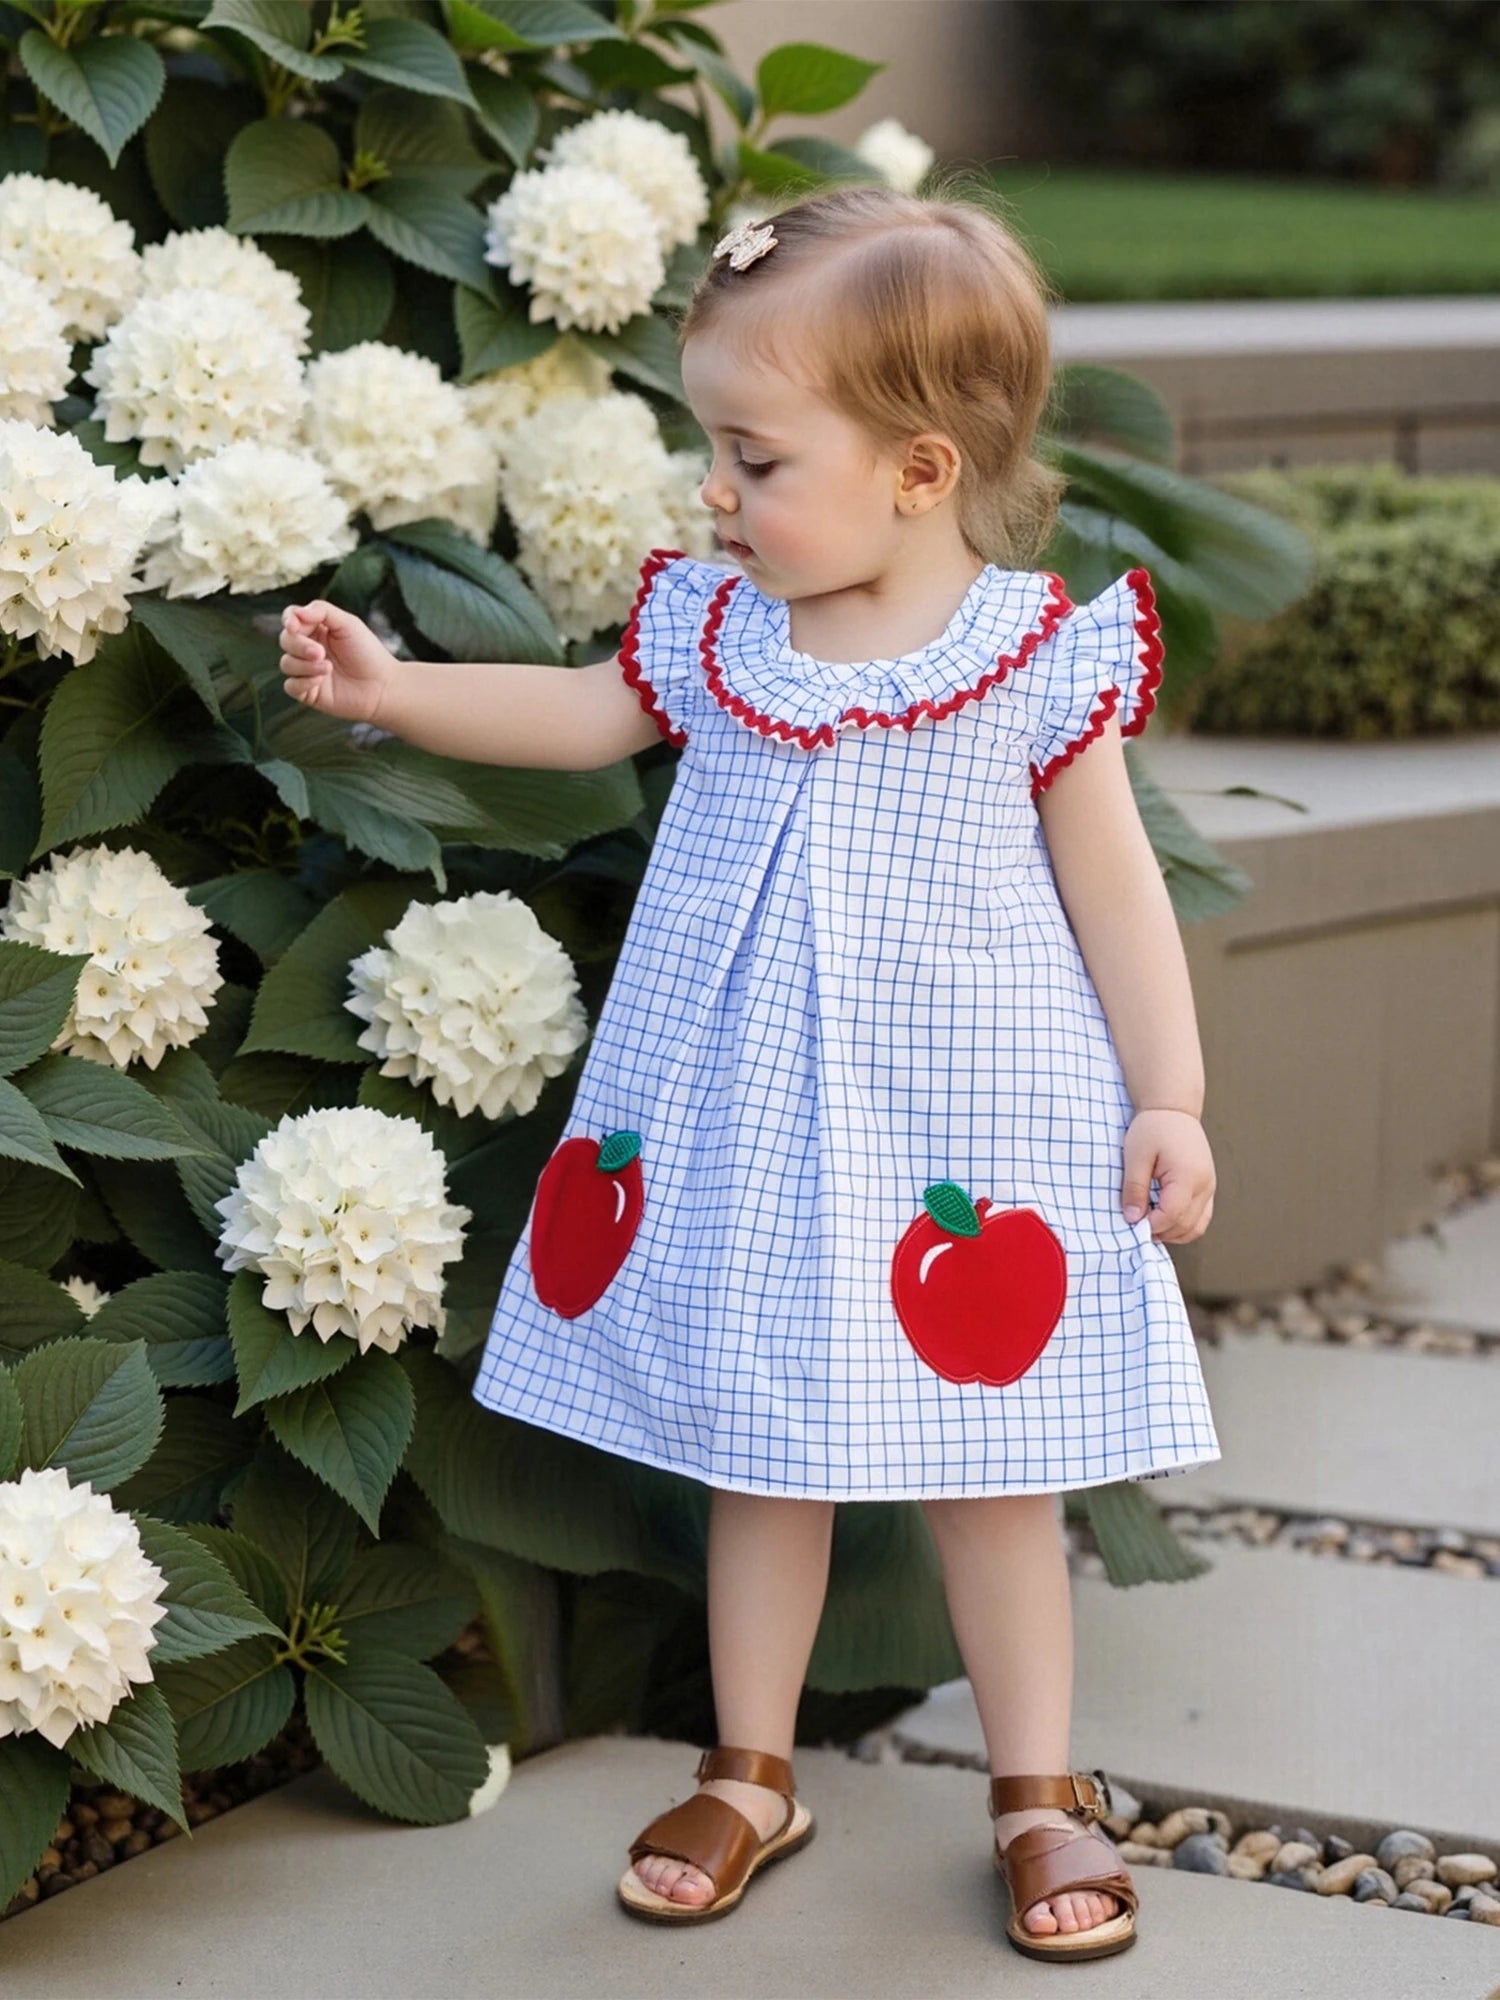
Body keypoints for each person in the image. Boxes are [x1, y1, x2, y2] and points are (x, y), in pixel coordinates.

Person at [277, 176, 1222, 1964]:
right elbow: (579, 716)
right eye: (715, 446)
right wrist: (397, 692)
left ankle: (1035, 1788)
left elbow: (1119, 889)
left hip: (971, 1128)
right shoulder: (720, 634)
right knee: (761, 1451)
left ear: (921, 471)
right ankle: (753, 1763)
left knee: (994, 1466)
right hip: (753, 1128)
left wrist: (1166, 1091)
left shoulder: (1028, 661)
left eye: (755, 456)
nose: (716, 491)